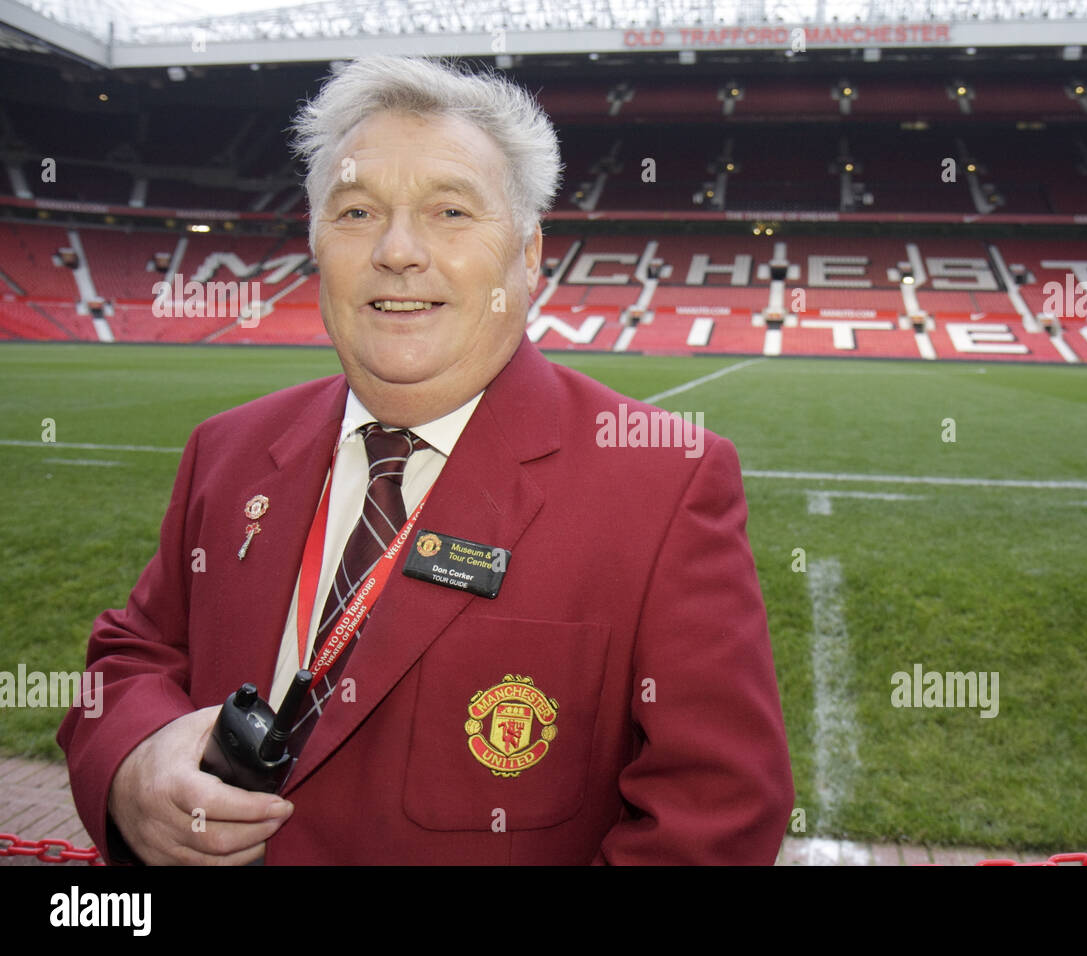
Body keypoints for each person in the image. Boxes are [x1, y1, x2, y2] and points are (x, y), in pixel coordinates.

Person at [57, 56, 793, 865]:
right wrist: (133, 763)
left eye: (449, 210)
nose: (398, 251)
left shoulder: (666, 482)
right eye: (357, 212)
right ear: (314, 245)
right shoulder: (225, 451)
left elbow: (715, 816)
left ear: (529, 255)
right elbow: (132, 655)